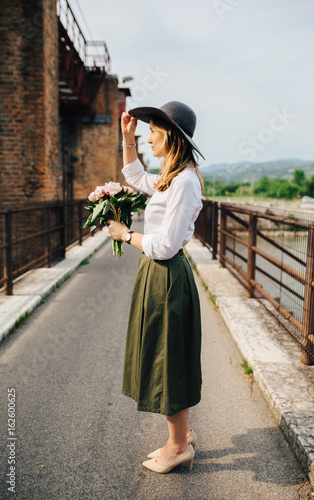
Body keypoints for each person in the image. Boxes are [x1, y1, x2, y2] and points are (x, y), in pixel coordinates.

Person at [108, 101, 204, 474]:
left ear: (171, 136)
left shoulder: (184, 182)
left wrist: (126, 234)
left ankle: (179, 445)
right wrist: (125, 138)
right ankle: (181, 436)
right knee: (166, 354)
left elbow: (165, 244)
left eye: (152, 132)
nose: (147, 138)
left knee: (169, 359)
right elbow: (135, 176)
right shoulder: (170, 176)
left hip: (166, 275)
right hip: (158, 275)